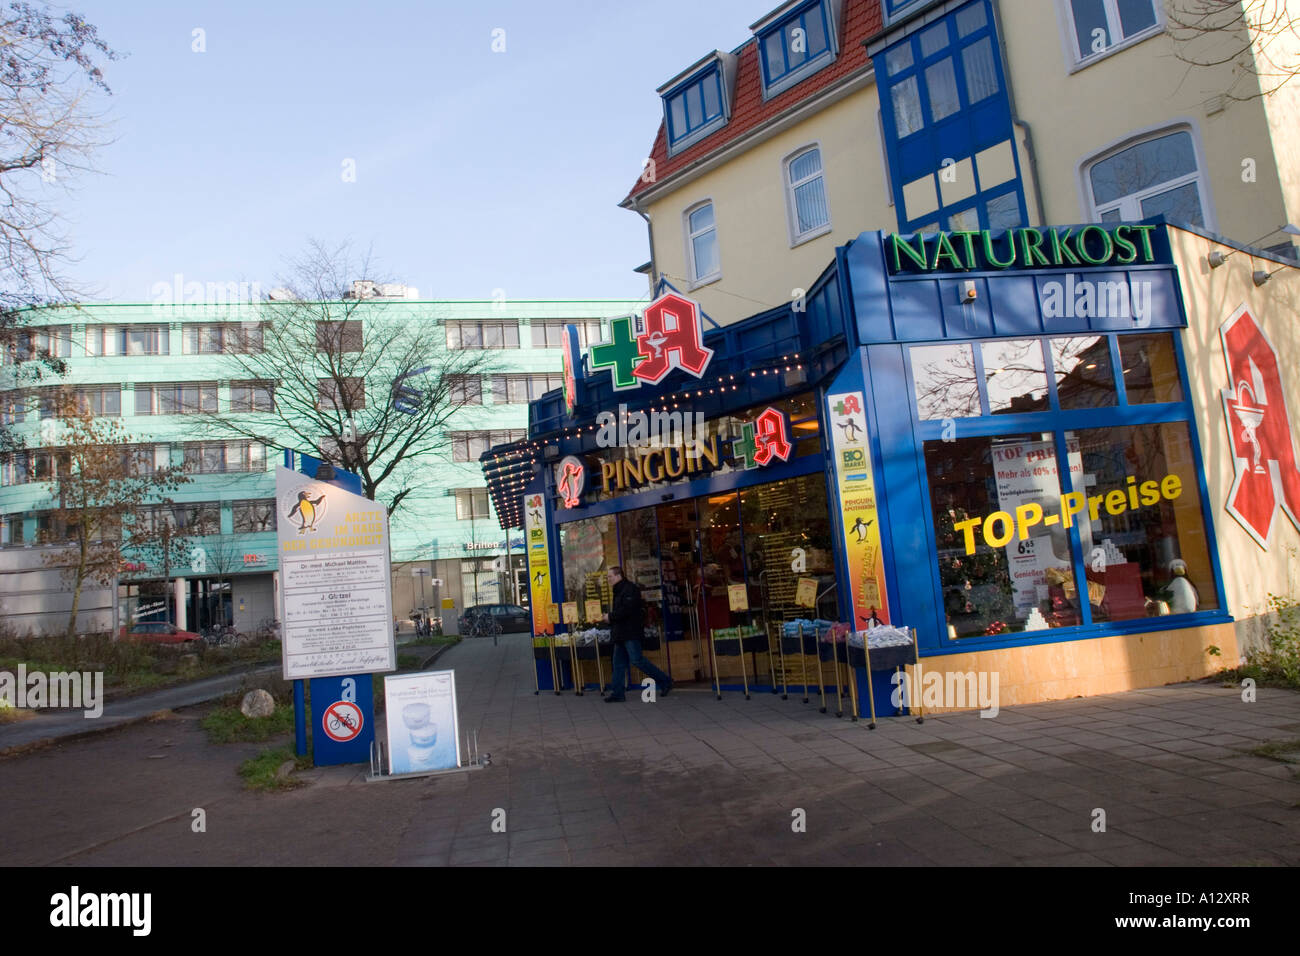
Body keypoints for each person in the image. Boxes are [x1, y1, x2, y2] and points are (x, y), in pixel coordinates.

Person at [604, 566, 672, 702]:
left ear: (618, 576)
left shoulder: (630, 589)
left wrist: (610, 617)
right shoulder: (618, 590)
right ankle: (617, 693)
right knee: (618, 663)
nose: (608, 579)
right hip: (621, 633)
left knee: (637, 660)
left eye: (610, 576)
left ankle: (665, 681)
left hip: (630, 633)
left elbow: (627, 610)